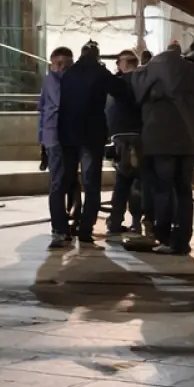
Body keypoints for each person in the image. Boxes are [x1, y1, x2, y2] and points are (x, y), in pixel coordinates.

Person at [130, 35, 194, 255]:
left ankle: (165, 236)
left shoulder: (153, 75)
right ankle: (181, 240)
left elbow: (136, 88)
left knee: (163, 189)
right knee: (183, 191)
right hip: (188, 140)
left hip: (160, 140)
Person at [54, 42, 112, 246]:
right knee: (91, 184)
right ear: (97, 55)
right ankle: (86, 229)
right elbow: (122, 91)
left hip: (69, 137)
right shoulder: (100, 73)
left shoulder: (69, 74)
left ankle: (62, 227)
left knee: (66, 182)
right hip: (92, 137)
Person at [104, 48, 145, 236]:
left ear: (123, 63)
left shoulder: (116, 86)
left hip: (121, 138)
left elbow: (109, 112)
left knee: (122, 181)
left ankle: (115, 220)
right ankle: (137, 222)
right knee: (139, 182)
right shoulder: (144, 83)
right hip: (141, 136)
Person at [37, 47, 68, 247]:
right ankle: (58, 229)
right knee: (58, 184)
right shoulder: (53, 81)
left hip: (57, 136)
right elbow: (55, 103)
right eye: (60, 65)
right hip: (56, 136)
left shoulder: (52, 80)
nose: (64, 69)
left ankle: (64, 227)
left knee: (64, 183)